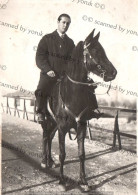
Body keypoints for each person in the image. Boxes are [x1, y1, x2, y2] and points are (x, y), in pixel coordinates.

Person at [35, 14, 102, 123]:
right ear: (58, 22)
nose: (65, 25)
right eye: (63, 22)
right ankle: (40, 112)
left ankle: (92, 110)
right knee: (41, 89)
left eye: (68, 23)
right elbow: (39, 57)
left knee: (88, 85)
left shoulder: (70, 42)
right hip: (49, 75)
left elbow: (74, 60)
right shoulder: (47, 39)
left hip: (64, 76)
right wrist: (47, 69)